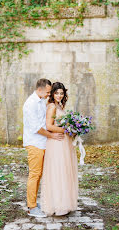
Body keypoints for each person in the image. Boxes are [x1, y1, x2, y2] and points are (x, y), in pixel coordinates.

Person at [23, 78, 64, 218]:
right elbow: (36, 128)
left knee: (39, 174)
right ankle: (31, 207)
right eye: (47, 92)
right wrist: (51, 136)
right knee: (34, 174)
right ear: (39, 90)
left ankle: (33, 202)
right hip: (34, 143)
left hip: (42, 142)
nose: (49, 94)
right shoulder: (30, 104)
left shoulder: (41, 101)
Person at [40, 82, 78, 216]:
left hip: (64, 142)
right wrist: (67, 130)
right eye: (56, 93)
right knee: (57, 171)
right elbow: (49, 126)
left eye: (61, 93)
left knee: (65, 171)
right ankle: (56, 204)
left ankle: (64, 202)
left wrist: (72, 130)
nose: (59, 95)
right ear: (52, 94)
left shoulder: (60, 105)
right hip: (56, 142)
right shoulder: (51, 106)